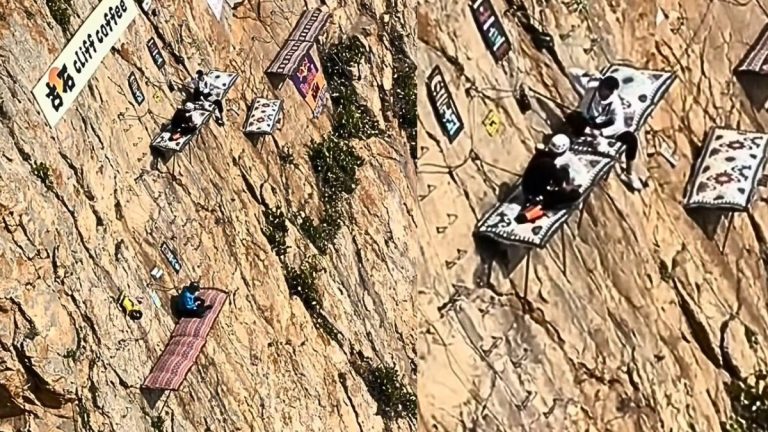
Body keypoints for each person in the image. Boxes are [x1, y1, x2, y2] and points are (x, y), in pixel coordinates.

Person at [564, 75, 643, 191]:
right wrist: (590, 73)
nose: (602, 91)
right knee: (571, 118)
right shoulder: (591, 86)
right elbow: (572, 73)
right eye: (602, 87)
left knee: (632, 139)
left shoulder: (615, 102)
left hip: (603, 126)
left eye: (606, 90)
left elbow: (618, 124)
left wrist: (601, 132)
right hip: (587, 121)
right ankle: (588, 136)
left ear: (611, 92)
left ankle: (629, 173)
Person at [520, 136, 582, 211]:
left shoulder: (541, 154)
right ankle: (548, 207)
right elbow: (560, 184)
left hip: (526, 186)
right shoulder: (550, 165)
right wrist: (571, 186)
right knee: (575, 195)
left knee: (563, 171)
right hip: (535, 195)